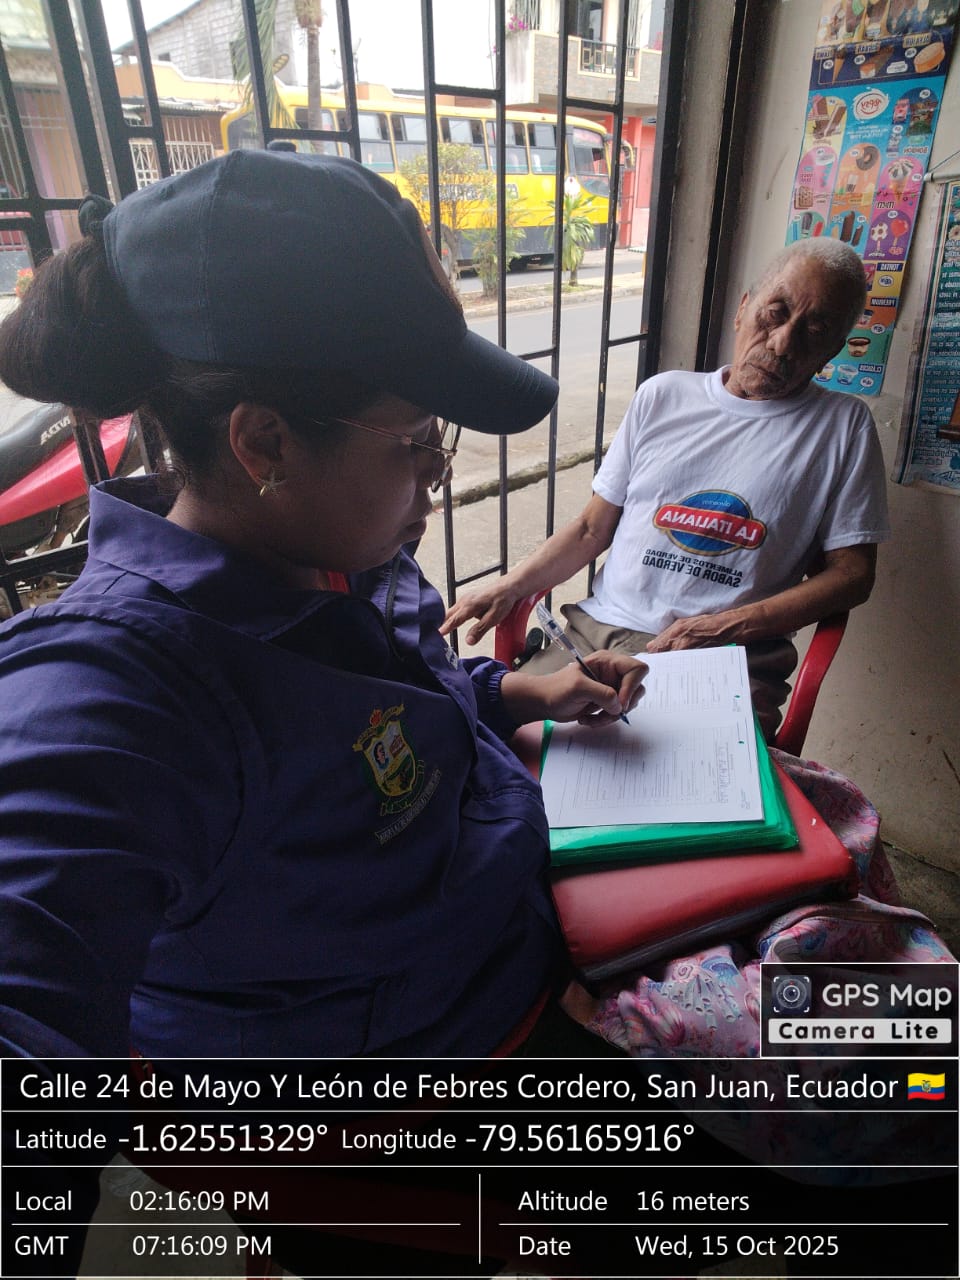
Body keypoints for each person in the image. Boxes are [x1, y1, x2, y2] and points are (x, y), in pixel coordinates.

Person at [0, 149, 647, 1070]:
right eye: (417, 442)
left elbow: (385, 710)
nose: (437, 480)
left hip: (530, 923)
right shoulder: (125, 689)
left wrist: (514, 693)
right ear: (266, 443)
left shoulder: (339, 554)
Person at [442, 239, 890, 738]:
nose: (783, 343)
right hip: (595, 637)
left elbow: (853, 575)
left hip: (727, 654)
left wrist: (725, 626)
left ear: (833, 350)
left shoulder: (842, 427)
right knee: (486, 749)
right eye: (775, 313)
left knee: (685, 781)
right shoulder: (663, 395)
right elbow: (591, 529)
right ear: (743, 309)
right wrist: (510, 586)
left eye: (816, 330)